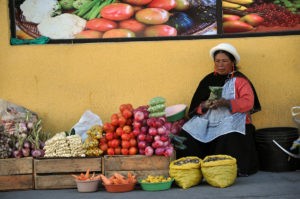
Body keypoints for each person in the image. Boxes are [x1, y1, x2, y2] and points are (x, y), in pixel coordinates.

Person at [177, 43, 261, 176]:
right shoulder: (208, 79)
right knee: (187, 132)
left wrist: (227, 102)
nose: (220, 64)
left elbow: (248, 102)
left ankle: (226, 170)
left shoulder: (240, 80)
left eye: (224, 61)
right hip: (208, 119)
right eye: (217, 61)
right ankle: (194, 169)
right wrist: (205, 105)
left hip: (233, 119)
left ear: (232, 62)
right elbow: (196, 107)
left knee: (228, 134)